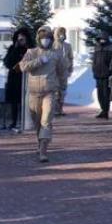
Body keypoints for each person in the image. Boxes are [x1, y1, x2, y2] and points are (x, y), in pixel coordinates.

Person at [19, 26, 69, 162]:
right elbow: (22, 67)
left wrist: (63, 87)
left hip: (49, 92)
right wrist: (39, 61)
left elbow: (62, 72)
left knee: (46, 121)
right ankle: (40, 142)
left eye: (48, 38)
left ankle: (43, 150)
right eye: (43, 38)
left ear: (51, 39)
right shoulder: (32, 52)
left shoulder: (56, 54)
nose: (45, 41)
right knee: (37, 122)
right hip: (34, 93)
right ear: (38, 39)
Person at [3, 27, 33, 131]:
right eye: (19, 39)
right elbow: (7, 62)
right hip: (14, 78)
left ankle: (27, 121)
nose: (21, 41)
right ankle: (14, 121)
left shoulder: (31, 49)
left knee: (27, 101)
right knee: (14, 102)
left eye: (23, 39)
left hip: (27, 78)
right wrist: (15, 50)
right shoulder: (13, 48)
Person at [91, 35, 112, 119]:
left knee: (106, 94)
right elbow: (94, 60)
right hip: (98, 74)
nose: (102, 40)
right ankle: (102, 110)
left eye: (104, 39)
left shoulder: (111, 47)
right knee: (99, 94)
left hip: (106, 74)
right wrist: (94, 69)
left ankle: (106, 111)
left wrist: (110, 71)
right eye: (101, 39)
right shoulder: (97, 47)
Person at [52, 26, 73, 116]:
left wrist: (70, 68)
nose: (62, 35)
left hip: (64, 72)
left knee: (63, 91)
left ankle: (61, 108)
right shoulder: (53, 45)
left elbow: (71, 58)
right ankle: (56, 109)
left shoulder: (68, 46)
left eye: (63, 34)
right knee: (56, 91)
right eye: (60, 33)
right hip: (55, 71)